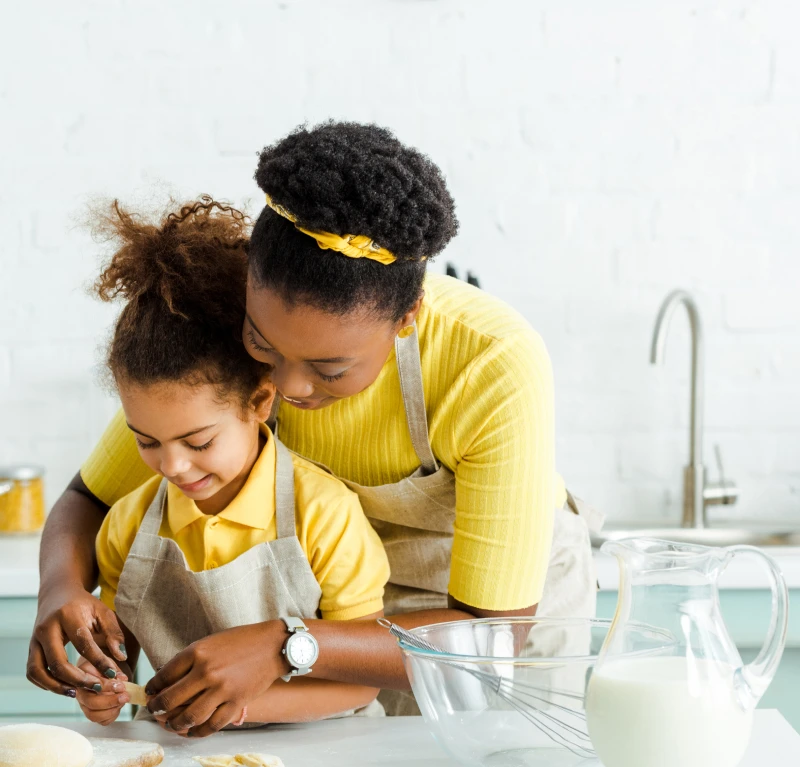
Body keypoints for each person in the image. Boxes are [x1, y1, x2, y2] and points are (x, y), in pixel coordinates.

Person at [29, 121, 598, 733]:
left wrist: (286, 645)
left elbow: (483, 640)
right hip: (339, 602)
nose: (289, 388)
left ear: (408, 317)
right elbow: (88, 499)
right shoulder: (230, 314)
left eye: (330, 369)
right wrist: (61, 592)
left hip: (488, 621)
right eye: (262, 346)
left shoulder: (490, 362)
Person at [73, 198, 388, 731]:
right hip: (189, 755)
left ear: (259, 403)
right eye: (146, 441)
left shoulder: (325, 515)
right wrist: (102, 688)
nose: (171, 465)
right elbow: (119, 660)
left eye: (197, 442)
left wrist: (237, 709)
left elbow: (360, 679)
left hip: (335, 750)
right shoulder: (127, 527)